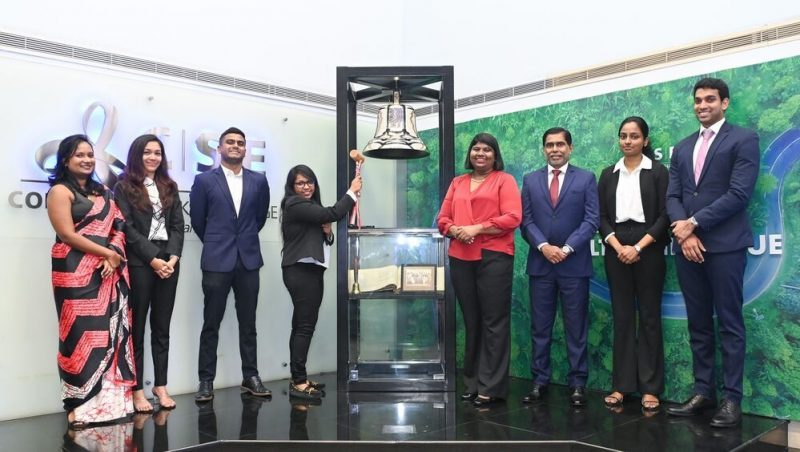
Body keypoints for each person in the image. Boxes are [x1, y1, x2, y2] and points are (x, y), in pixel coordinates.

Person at [665, 78, 760, 427]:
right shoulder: (682, 147)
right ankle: (703, 392)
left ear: (725, 103)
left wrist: (692, 223)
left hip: (725, 246)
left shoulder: (743, 139)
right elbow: (673, 196)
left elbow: (739, 193)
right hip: (687, 247)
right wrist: (683, 232)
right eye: (698, 100)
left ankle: (732, 399)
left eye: (710, 99)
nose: (702, 105)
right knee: (698, 322)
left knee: (730, 324)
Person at [46, 134, 135, 429]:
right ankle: (79, 406)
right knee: (78, 335)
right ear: (65, 160)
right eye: (79, 155)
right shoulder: (60, 191)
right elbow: (67, 235)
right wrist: (107, 253)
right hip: (74, 272)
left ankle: (109, 405)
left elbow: (119, 225)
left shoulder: (104, 191)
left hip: (107, 271)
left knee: (109, 333)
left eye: (89, 154)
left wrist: (114, 255)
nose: (86, 160)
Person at [437, 132, 522, 407]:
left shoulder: (504, 180)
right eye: (476, 149)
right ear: (470, 154)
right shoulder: (457, 182)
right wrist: (455, 230)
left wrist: (477, 228)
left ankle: (491, 386)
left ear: (495, 155)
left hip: (494, 256)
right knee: (472, 321)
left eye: (487, 149)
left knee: (493, 322)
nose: (480, 153)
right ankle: (472, 382)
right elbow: (443, 219)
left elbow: (513, 217)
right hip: (461, 257)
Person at [190, 126, 271, 402]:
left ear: (245, 149)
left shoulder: (258, 181)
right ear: (220, 148)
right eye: (230, 142)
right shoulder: (204, 181)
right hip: (216, 260)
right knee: (211, 323)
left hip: (248, 260)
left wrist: (242, 241)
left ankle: (250, 376)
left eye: (240, 143)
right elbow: (198, 221)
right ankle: (205, 381)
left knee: (248, 323)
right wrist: (218, 242)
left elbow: (259, 218)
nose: (235, 146)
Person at [520, 127, 599, 407]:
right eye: (550, 145)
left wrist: (566, 248)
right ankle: (539, 381)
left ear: (570, 148)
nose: (555, 149)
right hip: (541, 265)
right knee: (540, 328)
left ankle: (577, 384)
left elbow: (592, 220)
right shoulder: (530, 180)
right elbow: (526, 221)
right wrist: (544, 246)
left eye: (560, 144)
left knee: (576, 329)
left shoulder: (586, 178)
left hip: (574, 265)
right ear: (544, 149)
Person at [597, 117, 669, 411]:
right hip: (616, 246)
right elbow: (601, 217)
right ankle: (622, 385)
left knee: (649, 317)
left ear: (645, 141)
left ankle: (650, 388)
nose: (628, 141)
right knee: (622, 317)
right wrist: (618, 246)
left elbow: (665, 215)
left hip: (648, 246)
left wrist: (638, 247)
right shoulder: (608, 174)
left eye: (634, 136)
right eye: (624, 136)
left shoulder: (658, 172)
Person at [114, 134, 184, 412]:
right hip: (141, 262)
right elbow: (127, 228)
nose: (153, 157)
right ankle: (137, 390)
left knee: (162, 328)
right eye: (147, 152)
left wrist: (173, 258)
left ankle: (161, 386)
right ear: (136, 154)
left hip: (169, 263)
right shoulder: (123, 186)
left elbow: (177, 226)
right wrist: (153, 259)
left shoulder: (169, 186)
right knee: (137, 329)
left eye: (157, 152)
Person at [280, 165, 361, 399]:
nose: (306, 187)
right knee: (305, 326)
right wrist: (352, 192)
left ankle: (299, 377)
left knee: (301, 325)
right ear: (292, 186)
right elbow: (333, 213)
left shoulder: (310, 207)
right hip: (300, 270)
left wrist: (328, 233)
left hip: (311, 269)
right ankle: (299, 382)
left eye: (310, 182)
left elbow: (324, 234)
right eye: (300, 183)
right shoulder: (293, 203)